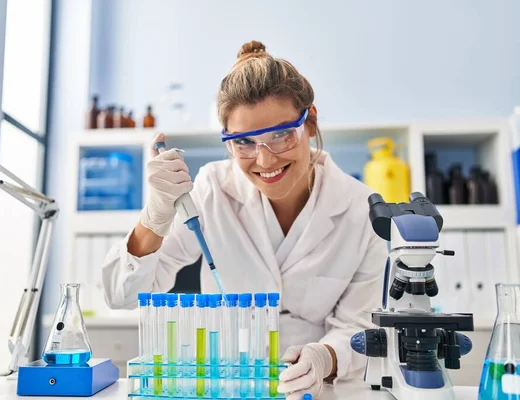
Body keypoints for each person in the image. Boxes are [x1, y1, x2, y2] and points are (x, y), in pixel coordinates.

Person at [102, 40, 387, 398]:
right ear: (227, 142)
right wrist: (156, 216)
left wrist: (324, 357)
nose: (265, 161)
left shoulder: (362, 210)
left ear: (310, 123)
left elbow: (359, 326)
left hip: (318, 391)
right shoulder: (210, 190)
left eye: (282, 135)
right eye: (244, 142)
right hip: (230, 388)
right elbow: (122, 295)